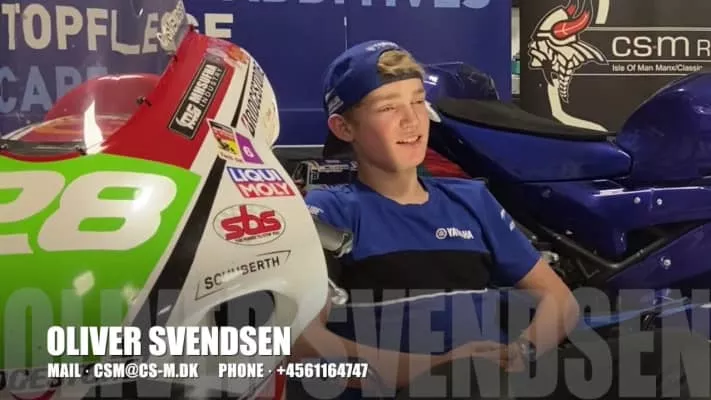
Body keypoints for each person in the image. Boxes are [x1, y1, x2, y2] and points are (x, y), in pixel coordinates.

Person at [288, 40, 711, 400]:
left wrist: (523, 351)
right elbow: (303, 347)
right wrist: (436, 366)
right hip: (421, 384)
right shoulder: (328, 210)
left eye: (417, 101)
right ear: (343, 128)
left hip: (501, 376)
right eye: (388, 107)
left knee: (679, 351)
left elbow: (558, 300)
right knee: (470, 377)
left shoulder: (470, 199)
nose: (411, 121)